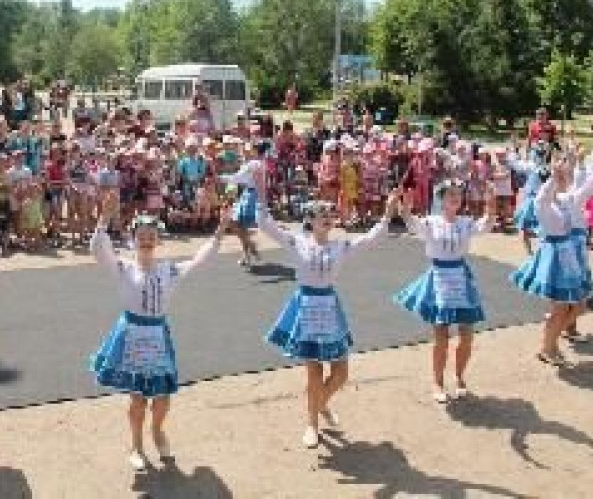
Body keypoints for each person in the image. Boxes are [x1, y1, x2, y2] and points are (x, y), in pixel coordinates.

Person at [89, 190, 232, 470]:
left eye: (151, 235)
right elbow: (98, 250)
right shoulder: (124, 268)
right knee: (138, 398)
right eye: (140, 235)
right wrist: (103, 219)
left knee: (163, 397)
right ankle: (136, 444)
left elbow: (199, 260)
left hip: (157, 336)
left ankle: (157, 430)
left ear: (158, 239)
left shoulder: (168, 270)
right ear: (133, 239)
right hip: (131, 335)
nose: (146, 239)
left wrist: (221, 230)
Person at [255, 172, 396, 448]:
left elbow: (369, 240)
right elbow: (265, 224)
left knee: (341, 372)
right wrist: (259, 192)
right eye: (321, 214)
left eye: (330, 214)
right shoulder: (297, 242)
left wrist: (388, 213)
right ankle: (312, 424)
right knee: (314, 371)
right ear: (309, 220)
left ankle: (319, 403)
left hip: (330, 308)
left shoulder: (340, 246)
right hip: (306, 307)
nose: (327, 218)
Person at [395, 179, 496, 403]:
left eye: (458, 194)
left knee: (467, 336)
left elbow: (486, 225)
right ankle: (437, 381)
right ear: (440, 198)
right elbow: (412, 225)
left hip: (460, 278)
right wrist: (405, 208)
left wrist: (491, 204)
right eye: (450, 194)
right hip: (439, 279)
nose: (455, 198)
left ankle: (460, 377)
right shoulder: (431, 222)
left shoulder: (466, 222)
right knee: (441, 337)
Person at [510, 149, 593, 366]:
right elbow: (543, 198)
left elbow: (589, 187)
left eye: (565, 176)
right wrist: (553, 176)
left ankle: (551, 342)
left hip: (568, 258)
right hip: (554, 261)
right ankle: (547, 347)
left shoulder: (567, 199)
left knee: (575, 306)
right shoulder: (544, 205)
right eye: (562, 176)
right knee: (560, 309)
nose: (565, 178)